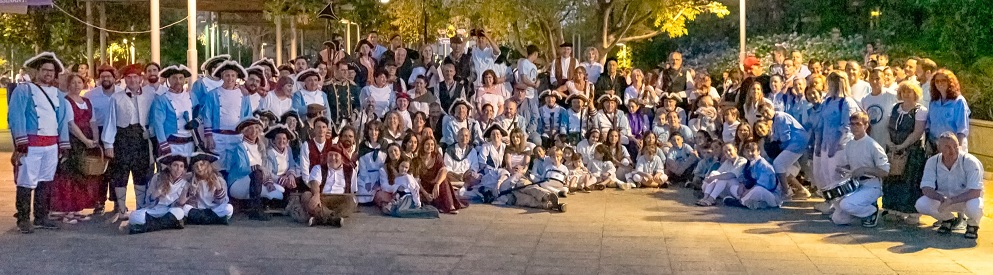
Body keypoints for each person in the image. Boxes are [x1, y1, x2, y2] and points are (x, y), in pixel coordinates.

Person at [9, 52, 74, 233]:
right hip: (31, 145)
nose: (48, 74)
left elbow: (61, 121)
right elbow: (16, 115)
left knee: (45, 181)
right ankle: (23, 219)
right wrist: (20, 141)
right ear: (37, 71)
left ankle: (41, 216)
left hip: (51, 145)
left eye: (51, 71)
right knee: (26, 182)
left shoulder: (58, 95)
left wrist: (64, 144)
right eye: (45, 70)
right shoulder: (24, 90)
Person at [102, 64, 156, 221]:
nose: (132, 80)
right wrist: (108, 144)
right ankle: (122, 208)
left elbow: (154, 117)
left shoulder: (149, 95)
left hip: (142, 137)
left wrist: (151, 131)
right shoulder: (116, 97)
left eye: (135, 77)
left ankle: (140, 207)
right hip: (122, 137)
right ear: (125, 80)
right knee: (120, 173)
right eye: (129, 77)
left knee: (141, 172)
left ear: (141, 78)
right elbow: (110, 121)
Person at [51, 73, 100, 224]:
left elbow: (93, 121)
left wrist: (96, 139)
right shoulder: (66, 101)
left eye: (79, 82)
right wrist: (85, 140)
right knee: (68, 175)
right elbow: (71, 125)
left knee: (81, 175)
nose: (76, 85)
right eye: (73, 83)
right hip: (73, 141)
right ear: (68, 85)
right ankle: (66, 210)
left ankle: (75, 208)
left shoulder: (86, 101)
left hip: (87, 140)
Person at [916, 133, 984, 239]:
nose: (952, 150)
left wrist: (952, 200)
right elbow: (926, 188)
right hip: (944, 200)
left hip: (966, 199)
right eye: (947, 147)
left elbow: (975, 191)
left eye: (955, 146)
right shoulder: (932, 162)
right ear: (939, 148)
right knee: (921, 204)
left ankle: (972, 225)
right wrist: (941, 198)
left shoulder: (970, 162)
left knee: (975, 206)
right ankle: (948, 220)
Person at [829, 112, 890, 227]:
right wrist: (843, 169)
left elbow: (885, 171)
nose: (855, 127)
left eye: (858, 124)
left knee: (846, 205)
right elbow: (850, 165)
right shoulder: (850, 144)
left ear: (866, 126)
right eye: (852, 124)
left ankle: (872, 210)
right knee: (837, 219)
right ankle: (859, 211)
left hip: (871, 185)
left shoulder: (872, 145)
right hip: (855, 185)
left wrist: (865, 170)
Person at [880, 82, 928, 224]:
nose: (906, 94)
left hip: (912, 151)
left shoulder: (920, 110)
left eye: (910, 91)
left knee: (910, 181)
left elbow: (917, 132)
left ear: (915, 93)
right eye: (904, 91)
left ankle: (912, 213)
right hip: (893, 149)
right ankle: (894, 210)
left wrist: (902, 145)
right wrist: (890, 144)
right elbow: (888, 128)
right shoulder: (895, 108)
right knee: (893, 179)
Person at [813, 72, 860, 214]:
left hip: (840, 146)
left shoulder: (846, 102)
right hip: (826, 144)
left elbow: (846, 126)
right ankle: (832, 204)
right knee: (826, 175)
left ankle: (842, 206)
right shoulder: (827, 101)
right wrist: (819, 143)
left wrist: (836, 144)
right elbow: (821, 123)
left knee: (837, 177)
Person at [224, 117, 282, 220]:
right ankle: (255, 210)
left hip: (255, 182)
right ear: (245, 131)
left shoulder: (261, 147)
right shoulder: (240, 147)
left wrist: (268, 181)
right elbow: (241, 169)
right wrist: (256, 167)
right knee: (257, 173)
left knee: (279, 193)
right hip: (237, 183)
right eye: (250, 128)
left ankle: (260, 206)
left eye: (256, 128)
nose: (253, 131)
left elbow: (265, 169)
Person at [201, 60, 253, 167]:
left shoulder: (244, 95)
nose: (230, 78)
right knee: (217, 168)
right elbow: (207, 116)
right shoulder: (213, 94)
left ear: (237, 76)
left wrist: (247, 134)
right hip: (218, 137)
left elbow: (248, 116)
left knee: (235, 167)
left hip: (237, 137)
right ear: (222, 76)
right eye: (227, 75)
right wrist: (209, 135)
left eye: (233, 75)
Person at [757, 103, 810, 199]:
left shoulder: (780, 117)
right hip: (794, 144)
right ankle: (802, 191)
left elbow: (785, 139)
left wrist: (779, 151)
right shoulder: (775, 122)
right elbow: (776, 139)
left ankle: (786, 193)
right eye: (762, 113)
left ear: (771, 108)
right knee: (782, 167)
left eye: (766, 111)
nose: (765, 114)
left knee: (778, 164)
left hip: (797, 143)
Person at [128, 154, 189, 234]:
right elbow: (147, 200)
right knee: (134, 216)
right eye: (175, 165)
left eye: (181, 166)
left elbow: (180, 204)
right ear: (169, 166)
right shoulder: (157, 177)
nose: (178, 169)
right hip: (153, 210)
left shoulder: (185, 183)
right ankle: (166, 224)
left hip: (169, 212)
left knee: (179, 212)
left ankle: (147, 227)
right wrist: (157, 193)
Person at [302, 146, 357, 227]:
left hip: (340, 199)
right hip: (322, 199)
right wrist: (316, 195)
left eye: (336, 155)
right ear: (327, 157)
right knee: (306, 195)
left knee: (351, 200)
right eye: (330, 155)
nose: (333, 158)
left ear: (341, 158)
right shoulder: (318, 168)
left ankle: (319, 218)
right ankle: (333, 219)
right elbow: (314, 182)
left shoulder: (351, 171)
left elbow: (353, 190)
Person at [151, 65, 199, 157]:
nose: (178, 81)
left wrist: (196, 121)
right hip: (171, 143)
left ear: (184, 80)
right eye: (174, 78)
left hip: (190, 142)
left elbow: (200, 113)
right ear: (168, 80)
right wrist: (163, 144)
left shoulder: (192, 96)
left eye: (181, 78)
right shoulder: (162, 99)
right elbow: (158, 123)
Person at [722, 142, 782, 209]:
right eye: (747, 151)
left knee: (758, 190)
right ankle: (758, 204)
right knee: (733, 187)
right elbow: (745, 177)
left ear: (759, 151)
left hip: (772, 196)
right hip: (754, 192)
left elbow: (765, 185)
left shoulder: (764, 165)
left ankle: (740, 202)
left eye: (753, 151)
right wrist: (742, 185)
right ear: (744, 153)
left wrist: (748, 191)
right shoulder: (749, 163)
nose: (750, 153)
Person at [416, 137, 466, 214]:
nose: (430, 147)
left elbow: (444, 170)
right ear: (422, 145)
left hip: (435, 184)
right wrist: (425, 193)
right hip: (424, 187)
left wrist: (437, 184)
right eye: (427, 144)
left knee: (444, 180)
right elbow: (417, 180)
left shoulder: (437, 156)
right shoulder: (417, 160)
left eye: (432, 144)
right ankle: (438, 206)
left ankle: (450, 206)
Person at [183, 152, 234, 225]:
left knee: (229, 208)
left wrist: (219, 189)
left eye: (201, 165)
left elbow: (222, 202)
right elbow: (190, 203)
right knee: (185, 208)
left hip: (214, 209)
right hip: (198, 210)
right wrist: (192, 191)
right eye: (196, 166)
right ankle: (215, 220)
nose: (199, 168)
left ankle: (201, 220)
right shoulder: (191, 181)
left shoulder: (219, 180)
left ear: (207, 165)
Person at [926, 69, 969, 152]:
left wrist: (958, 148)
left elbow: (962, 128)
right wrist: (928, 143)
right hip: (934, 146)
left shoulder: (959, 101)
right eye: (937, 81)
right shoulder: (933, 102)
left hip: (953, 146)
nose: (940, 83)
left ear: (950, 82)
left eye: (943, 80)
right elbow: (929, 123)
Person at [861, 67, 897, 145]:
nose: (874, 81)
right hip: (871, 139)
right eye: (872, 78)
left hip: (887, 139)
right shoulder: (865, 99)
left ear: (884, 80)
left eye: (878, 79)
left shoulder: (892, 95)